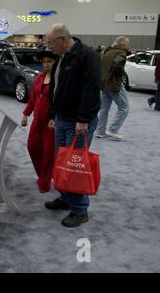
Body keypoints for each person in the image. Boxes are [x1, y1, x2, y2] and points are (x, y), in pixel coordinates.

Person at [45, 23, 101, 228]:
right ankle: (67, 198)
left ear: (62, 39)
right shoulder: (62, 57)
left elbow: (91, 90)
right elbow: (56, 88)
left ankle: (79, 210)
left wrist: (84, 119)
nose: (48, 47)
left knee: (75, 166)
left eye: (50, 43)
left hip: (78, 122)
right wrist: (53, 114)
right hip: (62, 118)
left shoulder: (87, 56)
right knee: (61, 162)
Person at [21, 50, 58, 193]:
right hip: (37, 120)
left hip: (50, 123)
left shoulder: (58, 79)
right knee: (32, 147)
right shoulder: (39, 77)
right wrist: (26, 114)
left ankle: (45, 181)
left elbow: (60, 101)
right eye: (44, 62)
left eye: (50, 62)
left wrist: (54, 118)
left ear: (55, 63)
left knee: (48, 154)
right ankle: (43, 175)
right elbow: (33, 98)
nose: (46, 65)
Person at [95, 36, 131, 140]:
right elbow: (117, 64)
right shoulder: (121, 53)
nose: (128, 46)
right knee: (124, 108)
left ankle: (100, 131)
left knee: (104, 109)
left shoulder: (107, 52)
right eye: (128, 44)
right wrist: (122, 74)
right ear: (123, 44)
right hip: (114, 83)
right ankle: (112, 130)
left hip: (104, 83)